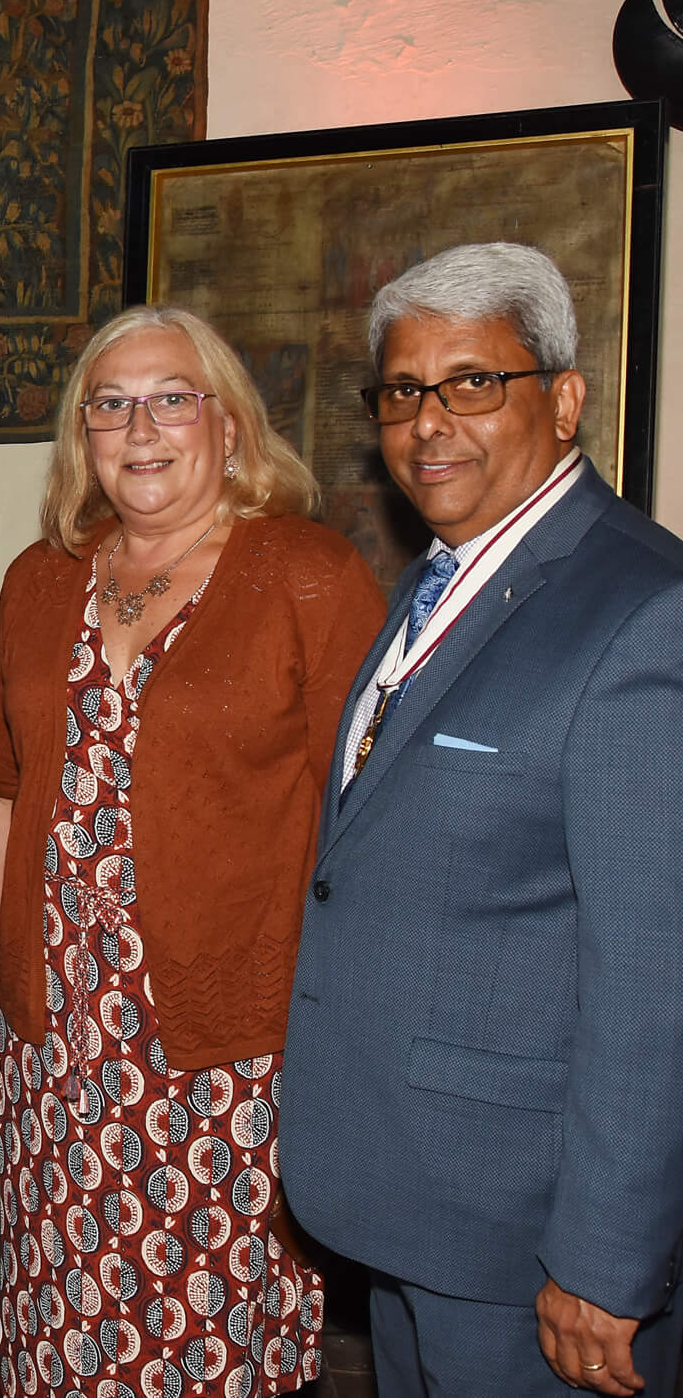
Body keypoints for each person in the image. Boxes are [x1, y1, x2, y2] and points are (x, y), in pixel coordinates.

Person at [282, 242, 683, 1398]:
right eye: (403, 390)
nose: (428, 423)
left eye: (473, 382)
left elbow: (654, 978)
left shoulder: (643, 611)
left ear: (564, 400)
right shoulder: (441, 579)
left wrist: (603, 1261)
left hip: (528, 1242)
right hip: (415, 1202)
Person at [0, 305, 384, 1398]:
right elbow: (8, 801)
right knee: (64, 1321)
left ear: (229, 425)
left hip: (229, 1045)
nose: (139, 428)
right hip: (61, 1034)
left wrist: (342, 1025)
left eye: (170, 399)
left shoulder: (307, 573)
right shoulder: (39, 580)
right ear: (83, 437)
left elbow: (366, 819)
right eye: (110, 405)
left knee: (205, 1338)